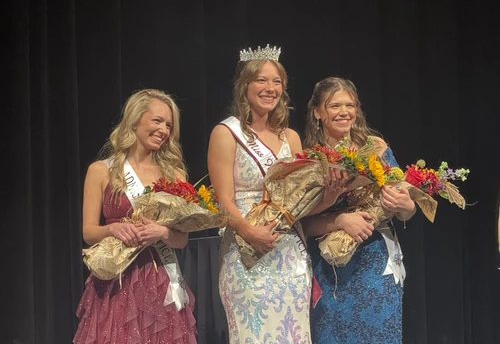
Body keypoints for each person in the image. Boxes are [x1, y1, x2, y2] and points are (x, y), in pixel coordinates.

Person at [207, 45, 342, 343]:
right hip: (246, 252)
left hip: (290, 255)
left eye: (277, 82)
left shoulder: (290, 137)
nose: (270, 88)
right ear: (245, 86)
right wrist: (249, 231)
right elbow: (223, 201)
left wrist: (329, 198)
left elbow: (301, 201)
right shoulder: (225, 133)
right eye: (262, 80)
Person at [73, 89, 197, 344]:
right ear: (135, 120)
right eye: (157, 121)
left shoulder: (175, 176)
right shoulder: (101, 171)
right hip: (116, 281)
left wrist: (162, 233)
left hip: (160, 278)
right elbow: (88, 232)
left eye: (169, 125)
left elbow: (181, 240)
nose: (163, 130)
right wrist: (113, 229)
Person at [301, 77, 417, 344]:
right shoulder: (310, 159)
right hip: (332, 271)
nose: (344, 112)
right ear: (317, 112)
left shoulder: (375, 148)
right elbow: (302, 224)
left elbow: (405, 211)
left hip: (376, 267)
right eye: (334, 105)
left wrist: (406, 206)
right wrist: (340, 220)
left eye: (350, 105)